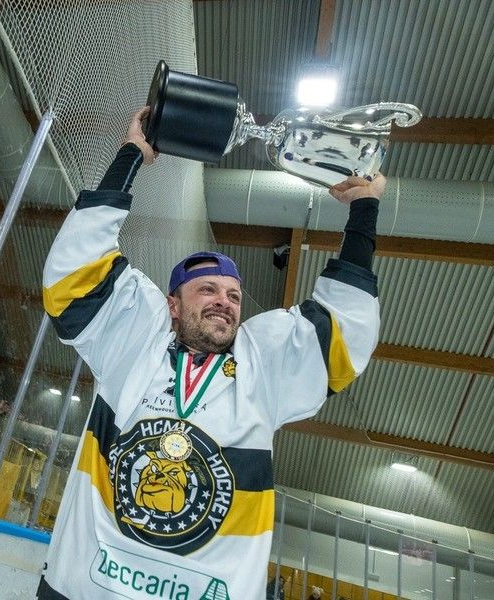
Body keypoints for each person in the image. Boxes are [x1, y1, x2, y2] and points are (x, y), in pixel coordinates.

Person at [36, 108, 382, 600]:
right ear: (172, 305)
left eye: (234, 295)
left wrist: (363, 209)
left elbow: (343, 327)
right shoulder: (133, 341)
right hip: (84, 588)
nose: (225, 300)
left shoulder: (263, 369)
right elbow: (74, 273)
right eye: (207, 290)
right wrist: (132, 153)